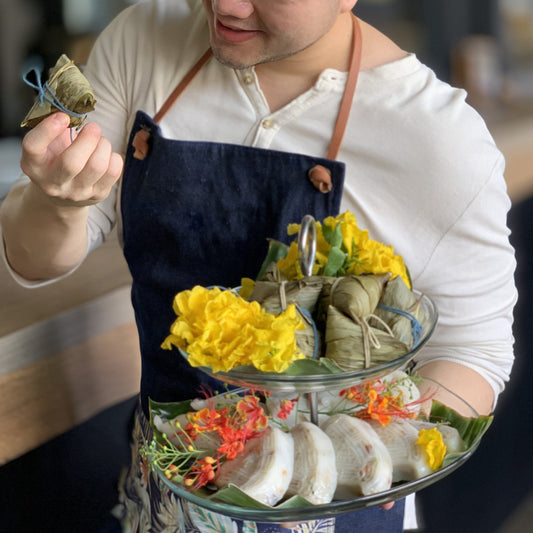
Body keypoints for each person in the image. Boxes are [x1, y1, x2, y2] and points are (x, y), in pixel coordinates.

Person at [0, 0, 517, 531]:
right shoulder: (143, 39)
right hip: (161, 497)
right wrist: (58, 203)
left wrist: (364, 456)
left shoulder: (438, 139)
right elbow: (34, 261)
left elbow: (473, 349)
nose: (226, 5)